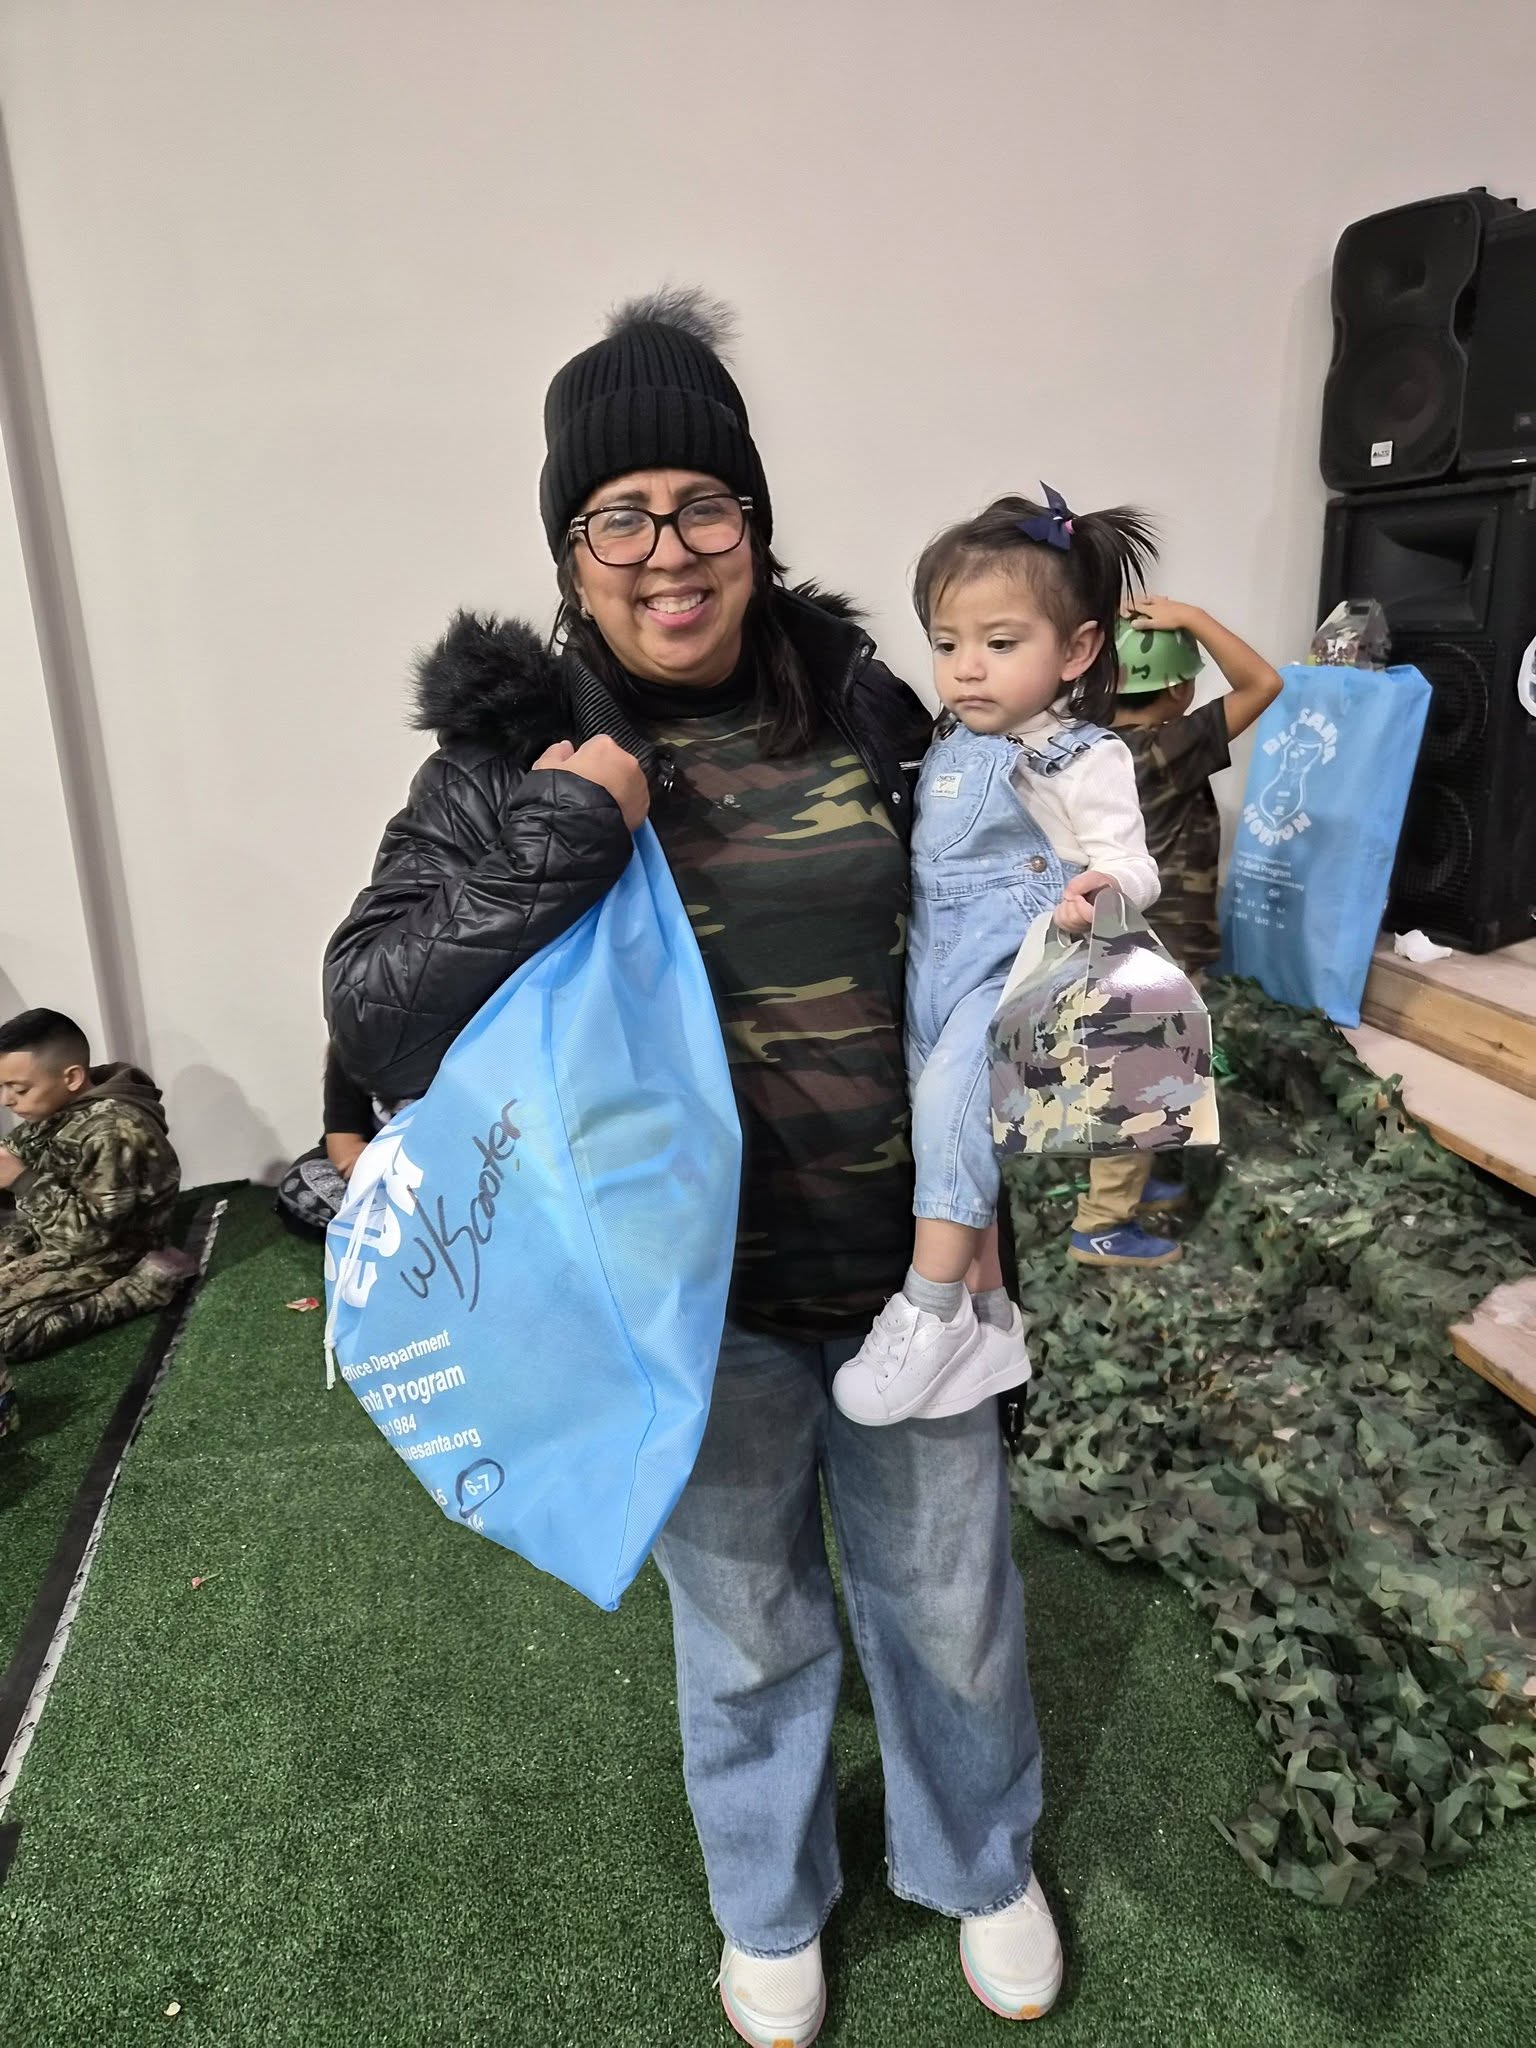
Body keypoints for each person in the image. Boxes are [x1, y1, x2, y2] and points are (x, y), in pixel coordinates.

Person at [325, 291, 1061, 2040]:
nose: (669, 551)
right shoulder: (508, 760)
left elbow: (980, 943)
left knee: (952, 1606)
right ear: (569, 554)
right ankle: (768, 1904)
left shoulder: (870, 705)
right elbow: (372, 1004)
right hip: (684, 1301)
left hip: (903, 1270)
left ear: (756, 522)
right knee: (747, 1630)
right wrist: (572, 823)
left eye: (703, 506)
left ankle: (980, 1859)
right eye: (620, 517)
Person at [832, 488, 1161, 1427]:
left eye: (1001, 643)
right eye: (947, 644)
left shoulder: (1081, 756)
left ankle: (930, 1312)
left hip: (1016, 973)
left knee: (952, 1114)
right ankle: (988, 1319)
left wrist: (1102, 889)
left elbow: (1134, 862)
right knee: (948, 1138)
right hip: (932, 974)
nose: (967, 668)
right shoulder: (946, 742)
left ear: (1077, 649)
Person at [1067, 598, 1283, 1267]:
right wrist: (1193, 618)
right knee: (1141, 1079)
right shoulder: (1168, 747)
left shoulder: (1091, 747)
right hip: (1158, 950)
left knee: (1124, 1070)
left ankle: (1132, 1182)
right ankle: (1102, 1225)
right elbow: (1265, 683)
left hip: (1109, 939)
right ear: (1181, 689)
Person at [0, 1008, 194, 1363]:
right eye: (2, 1087)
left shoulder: (114, 1130)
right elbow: (15, 1151)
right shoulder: (54, 1108)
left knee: (7, 1336)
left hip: (114, 1248)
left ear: (72, 1077)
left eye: (19, 1089)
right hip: (51, 1232)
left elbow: (92, 1237)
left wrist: (22, 1180)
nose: (7, 1100)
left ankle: (145, 1286)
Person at [272, 1043, 387, 1238]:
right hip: (379, 1165)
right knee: (302, 1188)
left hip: (436, 1167)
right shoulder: (350, 1046)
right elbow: (344, 1145)